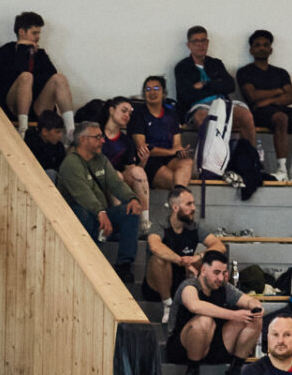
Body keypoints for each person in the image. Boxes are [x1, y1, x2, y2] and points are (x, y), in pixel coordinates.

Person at [165, 249, 261, 375]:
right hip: (182, 349)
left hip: (213, 345)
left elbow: (248, 300)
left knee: (254, 319)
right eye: (216, 273)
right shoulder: (189, 286)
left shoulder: (224, 287)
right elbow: (194, 306)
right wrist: (233, 315)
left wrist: (256, 306)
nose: (221, 278)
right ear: (204, 270)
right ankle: (192, 372)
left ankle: (235, 370)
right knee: (204, 321)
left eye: (224, 273)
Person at [58, 122, 142, 277]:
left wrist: (132, 198)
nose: (103, 140)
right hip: (78, 218)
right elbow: (83, 195)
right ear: (83, 139)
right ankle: (89, 263)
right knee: (82, 212)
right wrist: (100, 212)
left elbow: (116, 183)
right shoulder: (71, 164)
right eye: (97, 137)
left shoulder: (101, 159)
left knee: (131, 211)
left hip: (100, 213)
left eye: (102, 136)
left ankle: (124, 265)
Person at [236, 30, 292, 183]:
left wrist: (267, 101)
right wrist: (279, 92)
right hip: (258, 112)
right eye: (258, 45)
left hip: (277, 108)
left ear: (271, 49)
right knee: (281, 118)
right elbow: (252, 96)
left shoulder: (280, 73)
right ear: (251, 50)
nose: (262, 48)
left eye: (266, 45)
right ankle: (281, 169)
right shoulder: (245, 72)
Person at [173, 27, 258, 150]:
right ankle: (211, 158)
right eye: (196, 41)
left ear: (208, 43)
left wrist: (205, 85)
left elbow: (230, 86)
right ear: (189, 45)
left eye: (203, 41)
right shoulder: (182, 67)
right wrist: (217, 86)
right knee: (203, 118)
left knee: (246, 116)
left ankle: (251, 157)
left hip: (222, 103)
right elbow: (185, 95)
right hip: (199, 107)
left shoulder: (216, 64)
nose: (200, 45)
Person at [0, 11, 71, 132]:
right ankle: (23, 128)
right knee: (26, 77)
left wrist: (35, 55)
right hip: (12, 104)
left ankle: (70, 128)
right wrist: (22, 48)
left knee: (60, 78)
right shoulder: (7, 51)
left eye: (39, 33)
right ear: (22, 32)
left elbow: (51, 77)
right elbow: (8, 77)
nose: (38, 37)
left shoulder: (40, 53)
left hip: (37, 105)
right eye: (34, 33)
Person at [144, 187, 224, 306]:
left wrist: (198, 257)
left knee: (212, 261)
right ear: (175, 208)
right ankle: (167, 304)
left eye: (193, 204)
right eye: (189, 204)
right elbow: (155, 246)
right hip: (156, 287)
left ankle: (216, 300)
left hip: (182, 280)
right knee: (158, 259)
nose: (194, 208)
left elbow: (219, 246)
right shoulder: (160, 226)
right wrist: (181, 261)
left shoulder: (194, 227)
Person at [129, 75, 192, 190]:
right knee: (174, 181)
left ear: (164, 93)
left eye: (156, 88)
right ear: (144, 94)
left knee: (187, 162)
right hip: (148, 160)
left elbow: (177, 145)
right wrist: (172, 151)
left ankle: (180, 195)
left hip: (169, 158)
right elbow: (142, 149)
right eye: (148, 89)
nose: (152, 92)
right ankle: (181, 194)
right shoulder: (138, 114)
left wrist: (180, 151)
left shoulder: (171, 114)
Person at [99, 97, 150, 214]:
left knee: (136, 171)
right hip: (97, 176)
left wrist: (143, 162)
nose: (127, 115)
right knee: (116, 175)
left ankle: (144, 219)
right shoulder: (96, 133)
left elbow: (131, 170)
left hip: (118, 180)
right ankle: (119, 216)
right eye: (123, 111)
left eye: (129, 114)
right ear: (111, 110)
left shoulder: (127, 141)